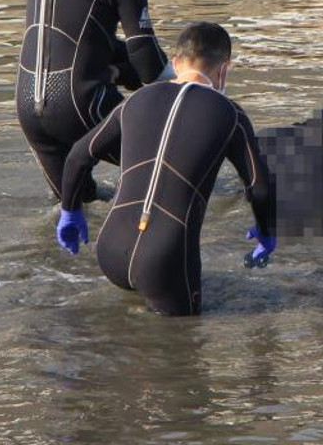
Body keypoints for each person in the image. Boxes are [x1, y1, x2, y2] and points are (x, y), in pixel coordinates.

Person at [54, 22, 276, 316]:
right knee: (182, 349)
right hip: (165, 257)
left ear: (174, 63)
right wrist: (266, 231)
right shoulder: (229, 113)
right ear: (223, 70)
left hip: (110, 249)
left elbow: (77, 157)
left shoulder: (135, 101)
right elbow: (259, 187)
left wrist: (70, 212)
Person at [16, 0, 171, 204]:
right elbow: (148, 67)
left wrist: (116, 68)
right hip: (81, 104)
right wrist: (186, 86)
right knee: (172, 165)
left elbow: (76, 38)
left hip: (28, 107)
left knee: (75, 208)